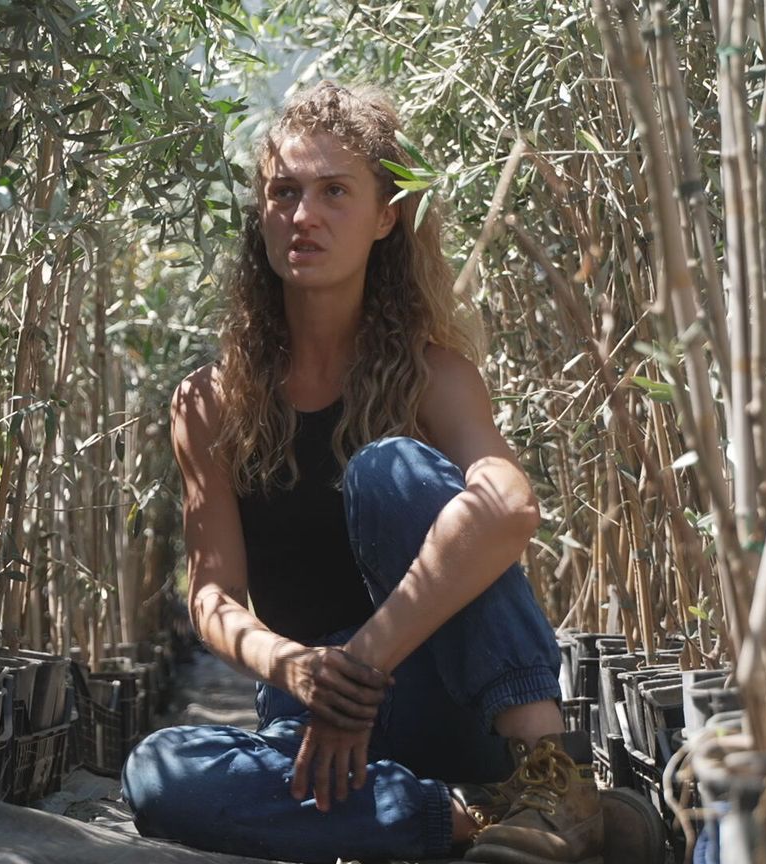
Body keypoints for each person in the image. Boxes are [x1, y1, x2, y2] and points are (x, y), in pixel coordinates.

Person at [120, 82, 659, 864]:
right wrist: (296, 668)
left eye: (335, 192)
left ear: (386, 217)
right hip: (310, 714)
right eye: (284, 192)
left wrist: (362, 664)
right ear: (261, 215)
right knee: (157, 773)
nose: (303, 215)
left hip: (439, 694)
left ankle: (550, 774)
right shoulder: (207, 403)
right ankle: (472, 817)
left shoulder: (434, 377)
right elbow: (211, 598)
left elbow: (509, 508)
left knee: (390, 469)